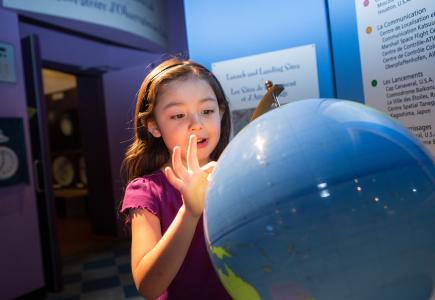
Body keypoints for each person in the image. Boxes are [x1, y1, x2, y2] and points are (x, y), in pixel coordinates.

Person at [119, 57, 232, 299]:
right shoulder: (146, 192)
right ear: (153, 126)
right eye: (178, 115)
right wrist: (189, 213)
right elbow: (148, 286)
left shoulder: (237, 173)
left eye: (207, 111)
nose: (196, 124)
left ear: (221, 113)